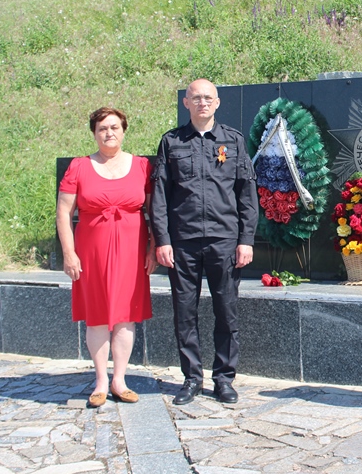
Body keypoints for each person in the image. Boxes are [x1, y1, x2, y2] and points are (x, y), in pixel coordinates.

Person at [151, 79, 258, 405]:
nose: (202, 103)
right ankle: (191, 378)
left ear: (217, 102)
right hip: (182, 242)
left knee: (226, 311)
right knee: (184, 313)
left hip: (224, 240)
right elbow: (159, 196)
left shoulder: (233, 141)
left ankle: (224, 379)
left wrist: (246, 239)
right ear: (186, 103)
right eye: (196, 98)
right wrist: (163, 239)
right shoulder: (171, 142)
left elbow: (247, 195)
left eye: (207, 97)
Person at [56, 107, 155, 408]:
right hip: (92, 252)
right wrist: (69, 253)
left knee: (126, 316)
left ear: (124, 130)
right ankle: (100, 381)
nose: (109, 133)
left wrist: (152, 248)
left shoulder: (141, 167)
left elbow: (153, 212)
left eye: (114, 127)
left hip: (131, 250)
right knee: (97, 316)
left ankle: (120, 380)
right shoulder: (79, 167)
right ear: (94, 133)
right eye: (102, 129)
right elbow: (63, 212)